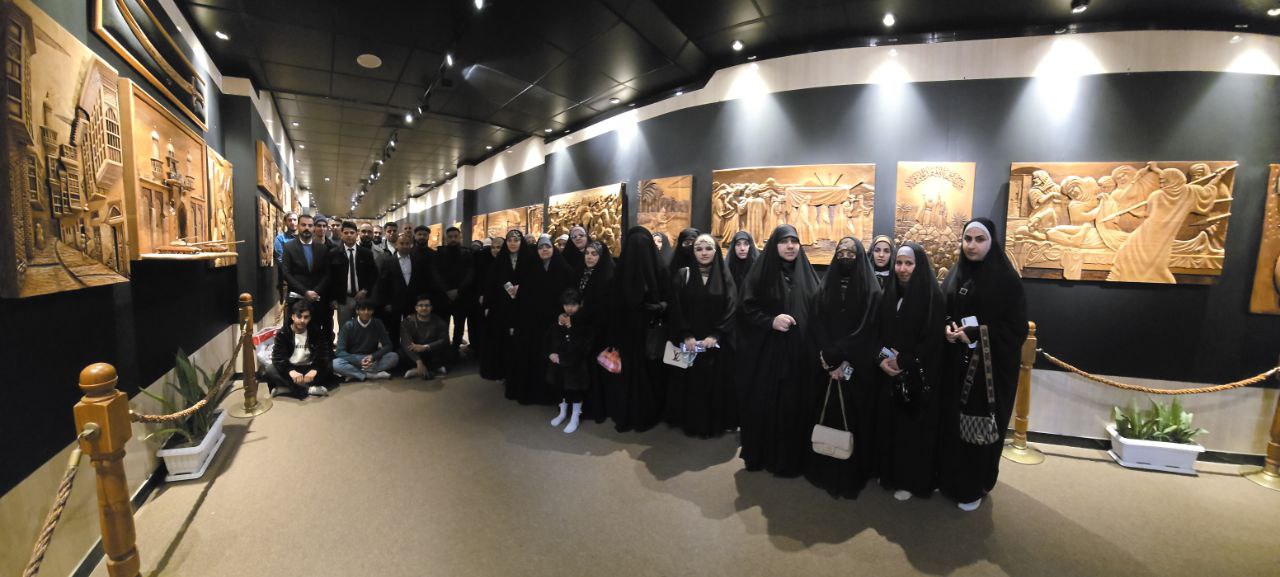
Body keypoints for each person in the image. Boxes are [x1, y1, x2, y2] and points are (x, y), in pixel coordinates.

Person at [939, 218, 1028, 512]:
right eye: (967, 239)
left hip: (985, 369)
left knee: (976, 428)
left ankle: (972, 486)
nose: (972, 245)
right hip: (955, 365)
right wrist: (947, 327)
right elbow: (944, 308)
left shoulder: (1006, 280)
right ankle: (948, 477)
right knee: (951, 422)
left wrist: (978, 333)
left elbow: (1016, 329)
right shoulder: (956, 273)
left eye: (980, 239)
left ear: (992, 242)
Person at [737, 224, 820, 477]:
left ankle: (792, 459)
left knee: (794, 406)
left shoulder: (808, 275)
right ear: (775, 245)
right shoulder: (761, 273)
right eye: (784, 241)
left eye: (794, 241)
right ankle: (767, 455)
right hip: (769, 356)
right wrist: (770, 321)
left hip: (799, 356)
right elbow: (746, 309)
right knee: (768, 404)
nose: (790, 246)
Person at [802, 237, 882, 498]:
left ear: (860, 256)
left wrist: (842, 356)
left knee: (854, 417)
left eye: (851, 253)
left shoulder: (871, 291)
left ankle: (852, 472)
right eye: (841, 252)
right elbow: (815, 322)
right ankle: (821, 467)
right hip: (826, 366)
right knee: (824, 413)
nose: (846, 257)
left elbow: (868, 329)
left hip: (855, 368)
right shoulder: (824, 287)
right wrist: (828, 357)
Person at [874, 242, 946, 501]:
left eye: (909, 263)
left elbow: (932, 339)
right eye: (899, 263)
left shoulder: (932, 297)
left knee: (912, 431)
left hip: (916, 375)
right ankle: (890, 473)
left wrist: (904, 361)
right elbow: (878, 330)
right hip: (889, 371)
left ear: (919, 265)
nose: (903, 269)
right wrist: (882, 359)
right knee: (890, 425)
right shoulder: (889, 292)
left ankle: (910, 480)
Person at [663, 234, 738, 438]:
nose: (704, 253)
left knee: (714, 384)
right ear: (693, 252)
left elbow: (732, 307)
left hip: (715, 344)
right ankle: (692, 424)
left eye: (708, 248)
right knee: (691, 385)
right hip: (690, 343)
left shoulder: (724, 276)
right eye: (699, 248)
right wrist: (686, 335)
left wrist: (716, 334)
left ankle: (713, 425)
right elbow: (675, 308)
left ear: (716, 251)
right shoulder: (683, 274)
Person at [610, 226, 668, 432]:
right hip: (636, 334)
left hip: (644, 335)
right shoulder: (658, 269)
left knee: (638, 373)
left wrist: (659, 307)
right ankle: (642, 413)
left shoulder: (621, 271)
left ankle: (631, 413)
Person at [509, 234, 574, 404]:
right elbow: (523, 297)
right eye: (540, 247)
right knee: (535, 355)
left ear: (553, 248)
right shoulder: (530, 269)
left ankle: (553, 396)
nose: (544, 250)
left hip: (555, 321)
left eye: (547, 247)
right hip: (533, 322)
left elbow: (569, 294)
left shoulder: (564, 269)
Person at [479, 230, 531, 381]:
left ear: (521, 242)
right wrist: (488, 305)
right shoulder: (500, 260)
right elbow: (491, 284)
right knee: (503, 340)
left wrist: (521, 287)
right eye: (509, 240)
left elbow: (535, 279)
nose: (513, 243)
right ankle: (503, 371)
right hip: (501, 307)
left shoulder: (530, 259)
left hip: (523, 306)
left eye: (516, 240)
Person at [377, 233, 441, 351]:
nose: (405, 246)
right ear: (396, 245)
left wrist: (421, 299)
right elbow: (382, 284)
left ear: (411, 245)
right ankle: (395, 351)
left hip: (412, 301)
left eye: (407, 243)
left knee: (412, 328)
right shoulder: (388, 261)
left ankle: (411, 353)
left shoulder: (417, 260)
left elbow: (421, 281)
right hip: (394, 302)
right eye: (402, 243)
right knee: (394, 328)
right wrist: (386, 302)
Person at [576, 241, 616, 423]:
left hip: (600, 332)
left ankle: (598, 408)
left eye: (594, 254)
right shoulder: (583, 273)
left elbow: (603, 308)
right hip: (584, 329)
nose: (589, 257)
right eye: (587, 253)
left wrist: (582, 313)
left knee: (597, 370)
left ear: (602, 256)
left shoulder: (607, 275)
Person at [546, 288, 592, 434]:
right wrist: (553, 353)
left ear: (580, 305)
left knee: (575, 391)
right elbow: (552, 337)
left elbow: (584, 346)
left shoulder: (583, 321)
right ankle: (562, 412)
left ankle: (575, 417)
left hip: (575, 364)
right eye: (566, 305)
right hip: (560, 363)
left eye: (573, 305)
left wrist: (572, 327)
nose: (569, 308)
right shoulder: (561, 317)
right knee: (561, 388)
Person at [267, 300, 335, 398]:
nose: (302, 320)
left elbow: (323, 354)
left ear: (310, 318)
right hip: (292, 368)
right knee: (270, 369)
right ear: (293, 317)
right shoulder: (283, 333)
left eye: (306, 317)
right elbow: (278, 357)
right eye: (299, 316)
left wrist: (315, 369)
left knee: (330, 365)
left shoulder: (316, 332)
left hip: (309, 367)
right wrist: (290, 371)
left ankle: (288, 389)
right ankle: (309, 389)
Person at [280, 214, 332, 334]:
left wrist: (316, 291)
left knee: (316, 332)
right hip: (297, 299)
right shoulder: (288, 247)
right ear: (298, 226)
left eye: (310, 225)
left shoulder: (322, 248)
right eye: (303, 225)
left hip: (317, 299)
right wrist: (305, 292)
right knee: (295, 333)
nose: (307, 228)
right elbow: (286, 273)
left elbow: (328, 274)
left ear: (313, 228)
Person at [333, 298, 399, 381]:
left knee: (394, 357)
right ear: (357, 311)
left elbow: (388, 345)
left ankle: (355, 373)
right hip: (354, 358)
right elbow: (339, 351)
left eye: (369, 310)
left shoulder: (377, 323)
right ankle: (370, 375)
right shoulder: (348, 325)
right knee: (335, 363)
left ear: (373, 311)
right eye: (363, 309)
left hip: (371, 358)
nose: (366, 312)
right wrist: (357, 361)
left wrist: (373, 356)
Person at [330, 221, 379, 326]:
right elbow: (331, 278)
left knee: (363, 326)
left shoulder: (366, 253)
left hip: (362, 297)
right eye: (346, 233)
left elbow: (373, 274)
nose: (349, 235)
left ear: (357, 234)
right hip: (344, 299)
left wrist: (365, 290)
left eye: (352, 233)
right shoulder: (334, 253)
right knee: (344, 327)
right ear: (341, 234)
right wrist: (333, 298)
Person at [435, 226, 473, 350]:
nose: (453, 239)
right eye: (450, 237)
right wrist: (446, 290)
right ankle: (444, 349)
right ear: (446, 239)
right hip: (443, 296)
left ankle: (455, 349)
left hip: (461, 296)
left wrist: (459, 290)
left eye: (455, 237)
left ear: (460, 237)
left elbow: (470, 273)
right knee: (443, 325)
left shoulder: (467, 253)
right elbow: (436, 273)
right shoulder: (439, 254)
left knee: (459, 325)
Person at [401, 295, 453, 379]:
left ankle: (419, 370)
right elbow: (406, 341)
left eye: (427, 305)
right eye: (421, 305)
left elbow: (444, 340)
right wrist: (418, 361)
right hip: (416, 352)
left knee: (450, 351)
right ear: (416, 308)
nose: (424, 308)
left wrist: (425, 347)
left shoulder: (439, 321)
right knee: (400, 353)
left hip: (431, 350)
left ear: (431, 308)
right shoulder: (407, 321)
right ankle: (431, 368)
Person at [273, 211, 298, 301]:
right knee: (288, 303)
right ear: (285, 222)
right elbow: (280, 260)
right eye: (290, 220)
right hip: (287, 278)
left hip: (302, 279)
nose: (292, 222)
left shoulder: (302, 238)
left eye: (294, 220)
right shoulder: (280, 238)